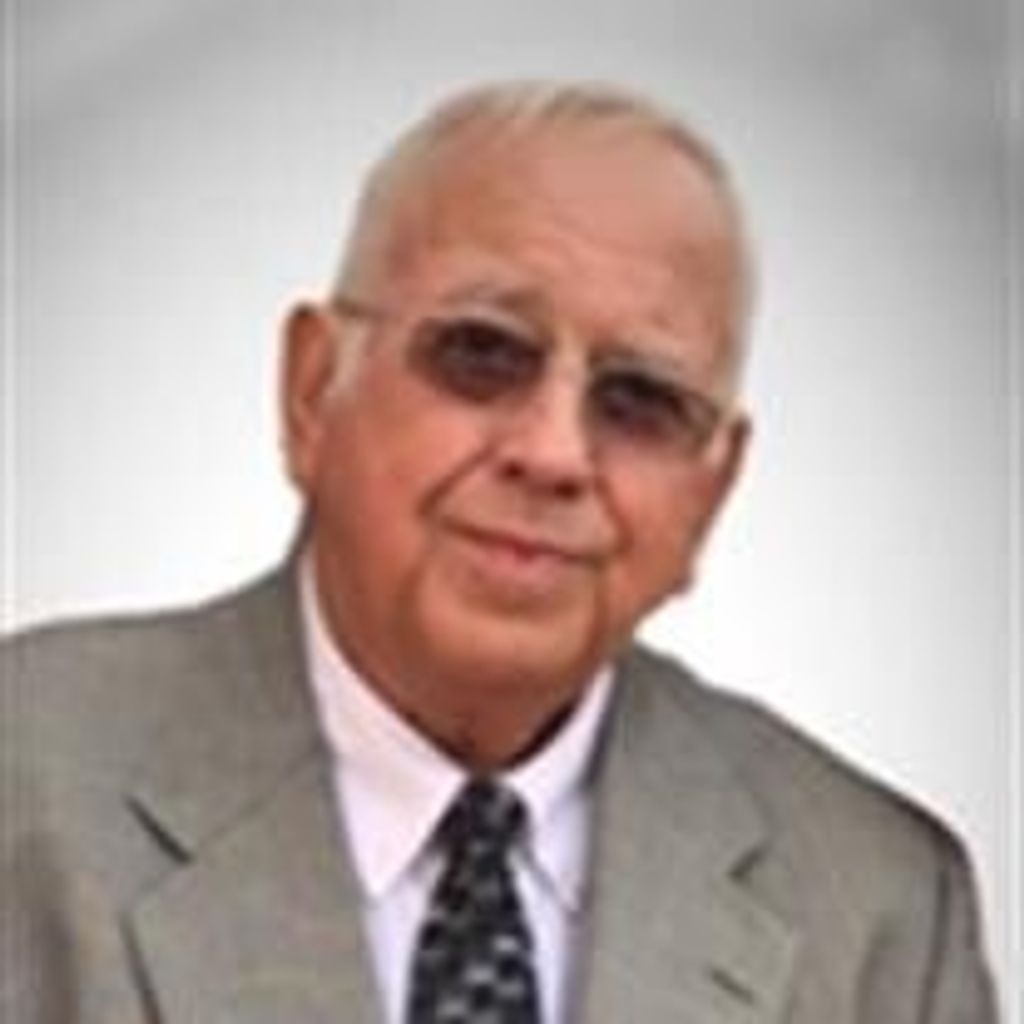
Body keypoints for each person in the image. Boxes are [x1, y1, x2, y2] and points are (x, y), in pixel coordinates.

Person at [1, 80, 997, 1023]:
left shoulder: (879, 913)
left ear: (711, 490)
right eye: (481, 353)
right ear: (311, 391)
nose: (553, 454)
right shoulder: (29, 781)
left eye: (640, 400)